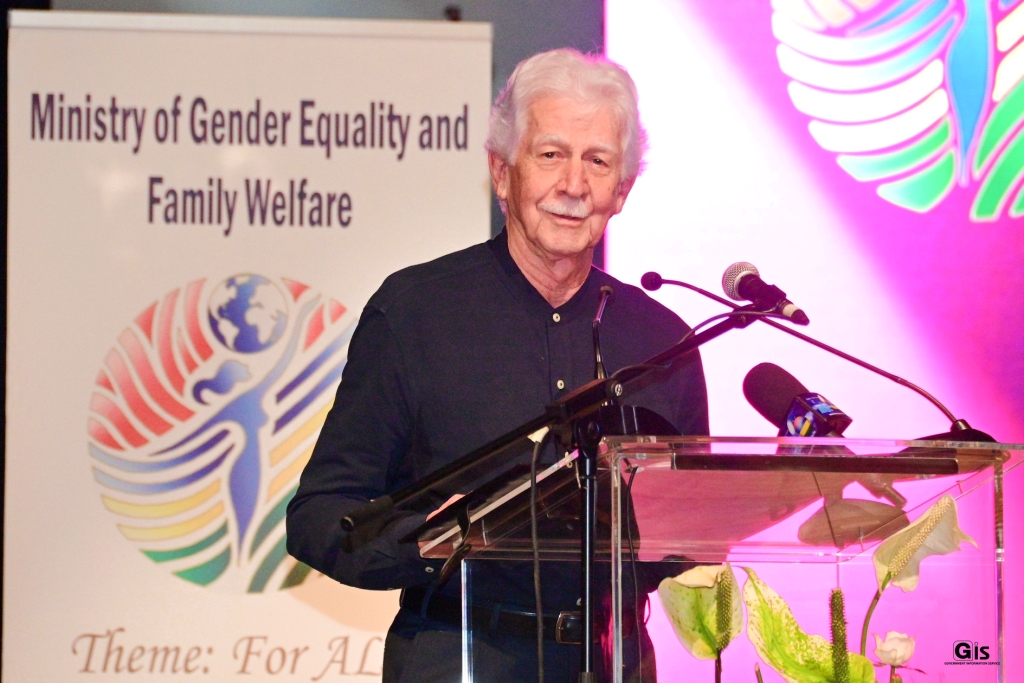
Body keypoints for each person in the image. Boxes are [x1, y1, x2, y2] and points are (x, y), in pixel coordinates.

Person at [286, 48, 709, 682]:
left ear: (621, 191)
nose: (573, 185)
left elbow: (690, 524)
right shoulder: (414, 312)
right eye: (550, 154)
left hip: (614, 659)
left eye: (598, 162)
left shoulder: (662, 340)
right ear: (501, 172)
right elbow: (320, 516)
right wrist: (432, 542)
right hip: (458, 653)